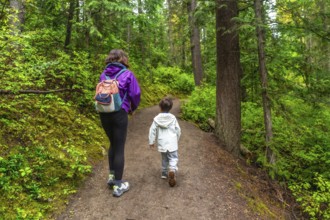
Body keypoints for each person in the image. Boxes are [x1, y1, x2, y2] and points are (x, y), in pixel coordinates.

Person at [99, 49, 141, 197]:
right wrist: (132, 108)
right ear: (123, 59)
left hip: (104, 113)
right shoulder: (127, 74)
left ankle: (111, 177)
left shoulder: (103, 74)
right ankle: (118, 185)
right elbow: (135, 94)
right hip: (119, 114)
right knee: (119, 147)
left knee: (113, 144)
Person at [149, 97, 181, 187]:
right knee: (173, 158)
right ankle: (172, 170)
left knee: (164, 158)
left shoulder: (156, 119)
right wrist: (176, 139)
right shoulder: (173, 118)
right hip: (172, 142)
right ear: (170, 108)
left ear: (160, 107)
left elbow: (152, 130)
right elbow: (178, 130)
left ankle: (164, 174)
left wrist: (151, 141)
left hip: (162, 142)